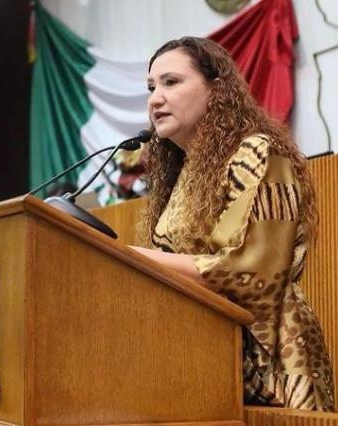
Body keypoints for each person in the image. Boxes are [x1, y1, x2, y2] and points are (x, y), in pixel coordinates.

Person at [130, 36, 334, 411]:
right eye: (151, 87)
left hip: (272, 365)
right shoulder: (183, 173)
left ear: (216, 90)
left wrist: (136, 259)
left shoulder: (259, 151)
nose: (155, 98)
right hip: (204, 358)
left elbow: (254, 270)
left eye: (171, 82)